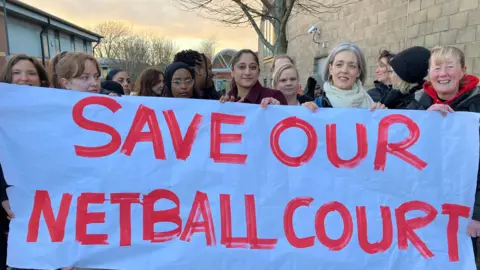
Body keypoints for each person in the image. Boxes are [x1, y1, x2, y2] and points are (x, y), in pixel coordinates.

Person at [408, 46, 480, 257]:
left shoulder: (477, 107)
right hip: (421, 208)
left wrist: (477, 213)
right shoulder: (415, 105)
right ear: (429, 74)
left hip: (463, 210)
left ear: (462, 71)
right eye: (437, 67)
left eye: (450, 66)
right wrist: (424, 121)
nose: (443, 73)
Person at [302, 42, 375, 111]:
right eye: (339, 65)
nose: (344, 70)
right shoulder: (317, 106)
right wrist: (304, 113)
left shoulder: (371, 106)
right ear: (330, 69)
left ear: (358, 72)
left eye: (351, 66)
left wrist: (381, 116)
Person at [220, 49, 287, 107]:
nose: (247, 72)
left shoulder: (275, 97)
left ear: (258, 72)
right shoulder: (225, 101)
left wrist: (277, 109)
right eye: (242, 67)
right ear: (232, 72)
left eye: (253, 67)